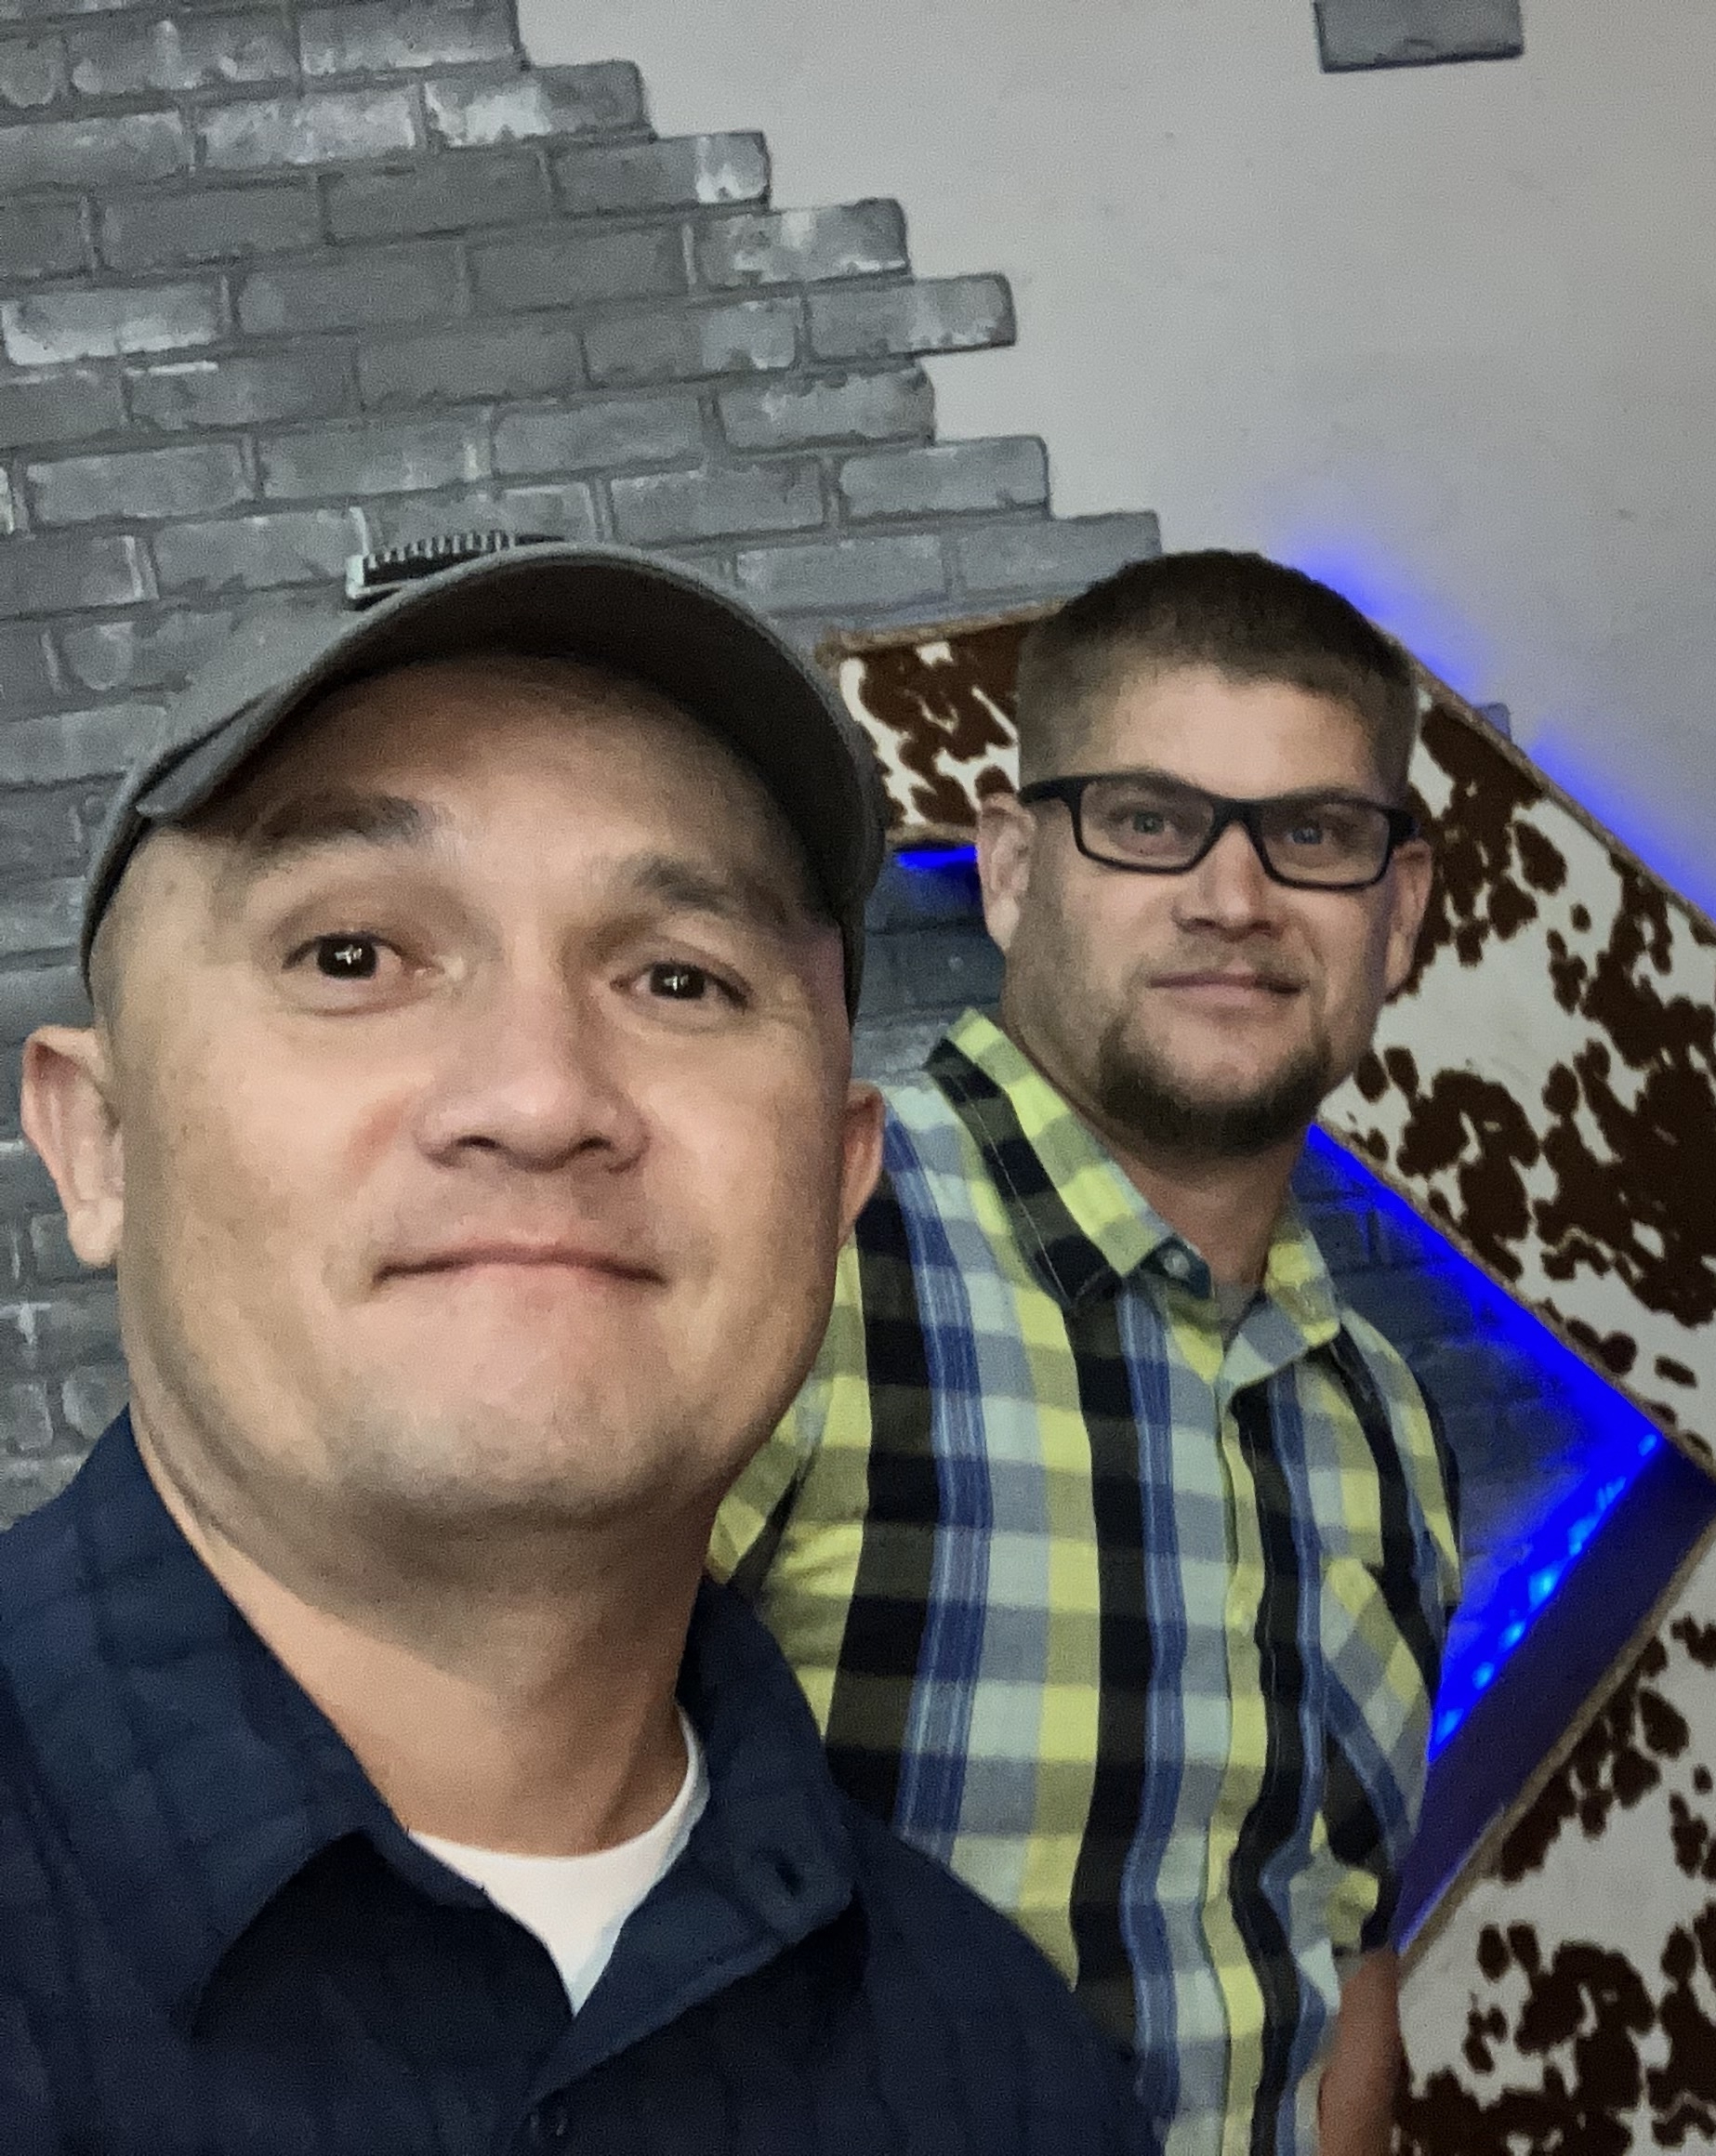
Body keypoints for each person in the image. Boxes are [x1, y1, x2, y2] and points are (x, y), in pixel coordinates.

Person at [1, 536, 1155, 2156]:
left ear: (837, 1186)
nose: (541, 1097)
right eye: (353, 957)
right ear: (99, 1142)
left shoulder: (1008, 2077)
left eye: (680, 979)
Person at [717, 551, 1461, 2156]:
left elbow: (1342, 1967)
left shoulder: (1378, 1425)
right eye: (1147, 819)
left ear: (1397, 914)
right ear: (1008, 871)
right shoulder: (796, 1254)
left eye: (1314, 835)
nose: (1235, 897)